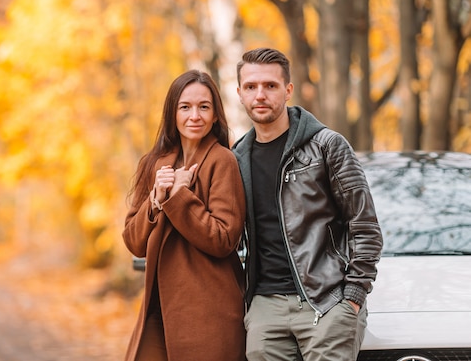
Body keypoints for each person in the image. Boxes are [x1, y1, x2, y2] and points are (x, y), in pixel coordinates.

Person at [231, 47, 383, 361]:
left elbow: (365, 227)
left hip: (325, 302)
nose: (260, 94)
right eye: (251, 87)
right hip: (265, 309)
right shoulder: (236, 159)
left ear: (288, 91)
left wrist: (352, 297)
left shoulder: (327, 145)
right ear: (239, 93)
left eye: (270, 86)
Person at [122, 69, 247, 361]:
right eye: (185, 107)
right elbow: (133, 241)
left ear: (216, 115)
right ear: (172, 113)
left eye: (204, 107)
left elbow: (224, 239)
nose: (195, 116)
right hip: (158, 309)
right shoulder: (155, 163)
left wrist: (180, 197)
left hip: (209, 312)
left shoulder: (223, 160)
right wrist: (156, 199)